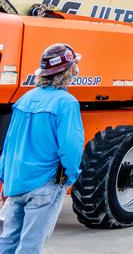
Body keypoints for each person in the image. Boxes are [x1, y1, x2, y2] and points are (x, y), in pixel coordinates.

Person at [0, 43, 85, 254]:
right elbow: (71, 148)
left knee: (8, 240)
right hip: (45, 183)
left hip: (17, 181)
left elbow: (9, 144)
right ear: (67, 71)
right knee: (31, 244)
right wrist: (72, 175)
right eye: (74, 66)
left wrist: (5, 178)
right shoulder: (66, 103)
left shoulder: (24, 99)